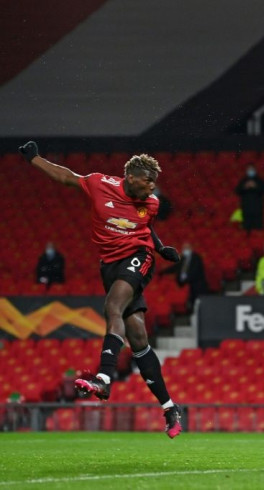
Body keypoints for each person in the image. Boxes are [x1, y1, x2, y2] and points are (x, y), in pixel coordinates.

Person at [19, 141, 183, 438]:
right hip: (109, 265)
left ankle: (104, 377)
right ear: (131, 177)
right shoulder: (99, 184)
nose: (152, 189)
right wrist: (35, 159)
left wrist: (158, 249)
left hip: (138, 258)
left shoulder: (152, 203)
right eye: (148, 182)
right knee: (138, 338)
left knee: (113, 307)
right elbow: (66, 176)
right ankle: (170, 407)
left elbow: (144, 227)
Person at [160, 242, 209, 311]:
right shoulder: (182, 258)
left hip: (196, 285)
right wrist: (163, 272)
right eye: (184, 248)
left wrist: (185, 280)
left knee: (198, 305)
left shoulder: (196, 258)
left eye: (187, 248)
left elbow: (195, 272)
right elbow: (175, 267)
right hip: (184, 284)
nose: (185, 250)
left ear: (191, 249)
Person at [234, 164, 264, 231]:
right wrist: (245, 187)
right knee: (246, 228)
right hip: (246, 208)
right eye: (249, 170)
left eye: (252, 169)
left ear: (255, 170)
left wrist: (255, 186)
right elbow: (237, 191)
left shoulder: (260, 180)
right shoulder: (243, 181)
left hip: (257, 209)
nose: (250, 171)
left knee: (257, 228)